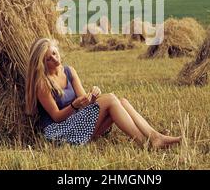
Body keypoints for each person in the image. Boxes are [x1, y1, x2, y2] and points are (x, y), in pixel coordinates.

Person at [25, 38, 181, 148]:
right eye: (48, 59)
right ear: (42, 63)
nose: (54, 58)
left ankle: (154, 136)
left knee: (122, 101)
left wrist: (92, 96)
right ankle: (147, 142)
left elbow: (85, 100)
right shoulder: (42, 83)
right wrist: (74, 105)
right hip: (60, 132)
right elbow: (56, 116)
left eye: (54, 53)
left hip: (79, 122)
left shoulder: (69, 71)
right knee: (110, 99)